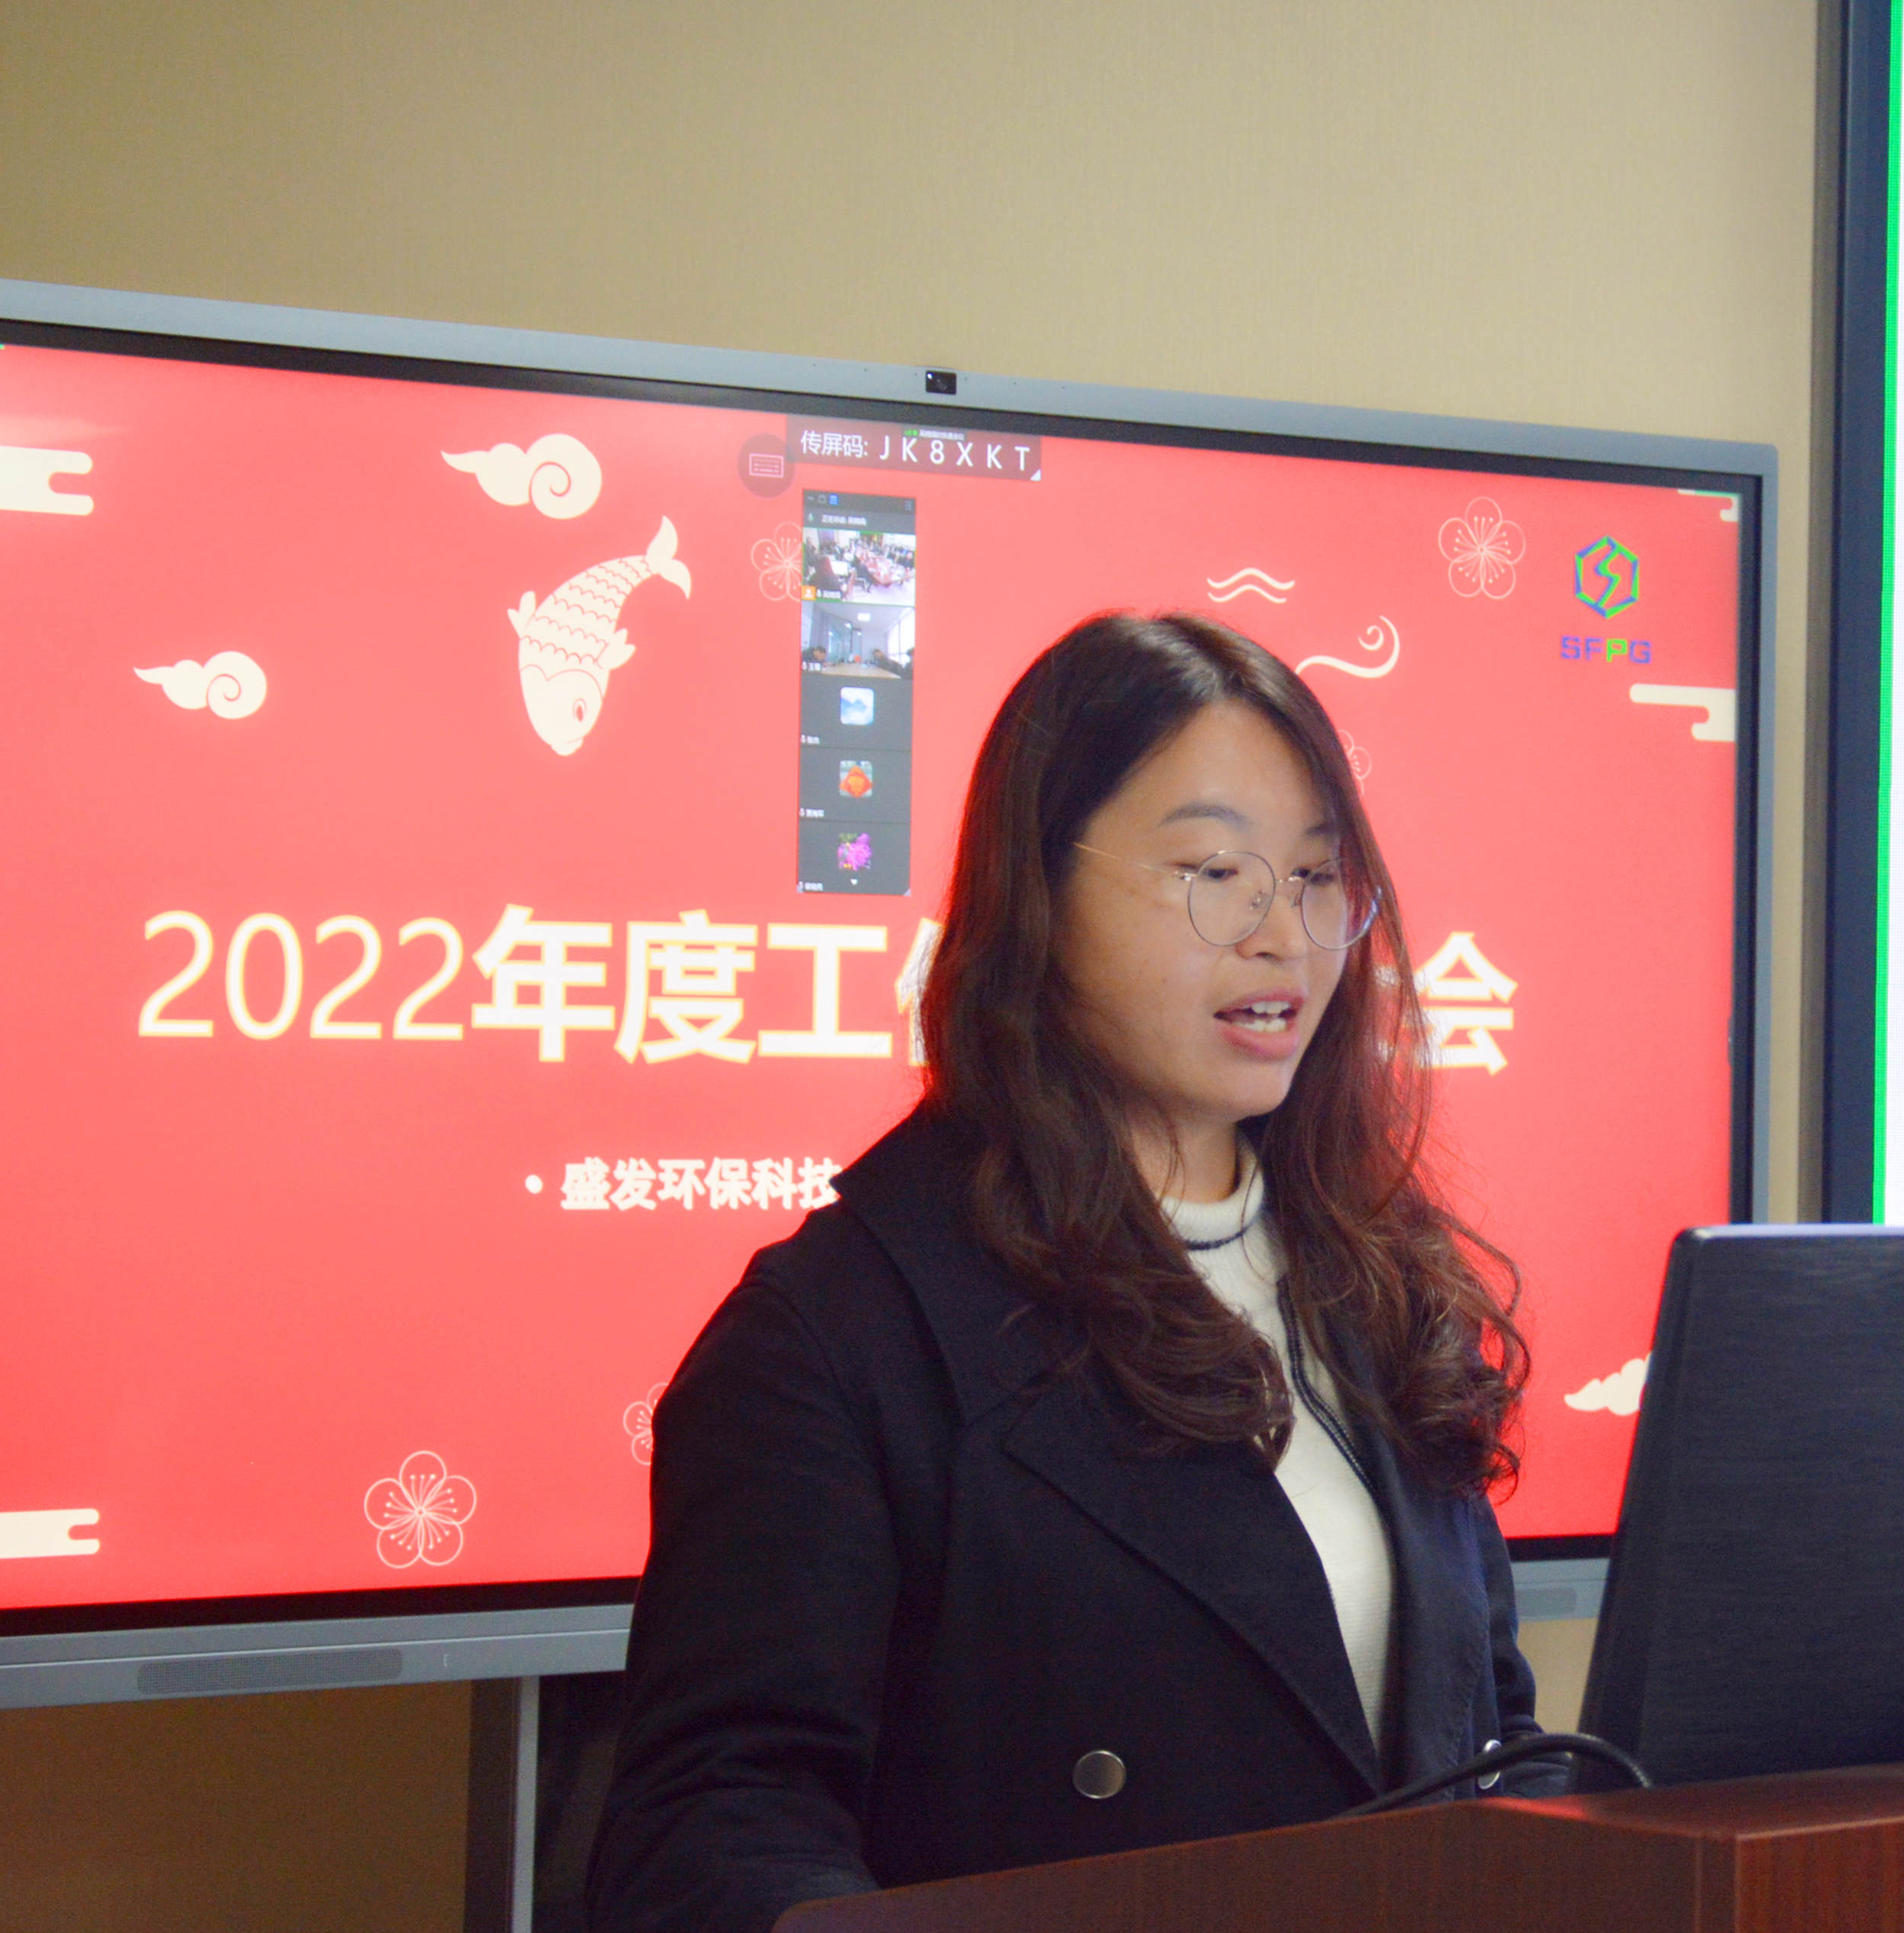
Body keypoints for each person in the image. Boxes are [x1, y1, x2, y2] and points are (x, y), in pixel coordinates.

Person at [589, 612, 1554, 1932]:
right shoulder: (835, 1329)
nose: (1284, 935)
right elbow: (717, 1822)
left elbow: (1489, 1734)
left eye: (1319, 876)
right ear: (1039, 891)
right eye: (1217, 870)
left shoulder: (1378, 1281)